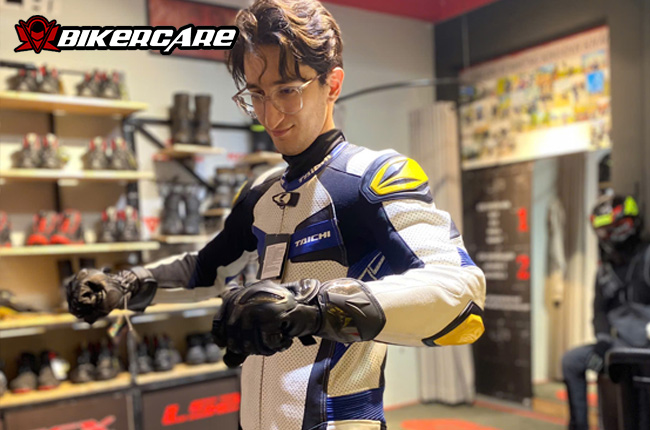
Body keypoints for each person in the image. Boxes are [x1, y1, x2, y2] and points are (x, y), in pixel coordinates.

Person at [65, 1, 487, 428]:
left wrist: (313, 306)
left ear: (332, 84)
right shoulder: (262, 191)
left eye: (287, 90)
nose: (269, 115)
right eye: (257, 94)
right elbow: (205, 269)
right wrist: (125, 284)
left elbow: (461, 293)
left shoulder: (375, 177)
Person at [562, 193, 650, 430]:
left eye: (614, 229)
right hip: (617, 346)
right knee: (571, 361)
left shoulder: (646, 258)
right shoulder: (604, 271)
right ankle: (579, 425)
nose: (608, 236)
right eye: (603, 231)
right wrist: (602, 341)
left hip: (645, 348)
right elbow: (599, 312)